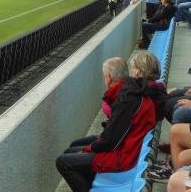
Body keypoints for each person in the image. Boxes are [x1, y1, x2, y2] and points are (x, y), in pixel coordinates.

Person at [56, 54, 162, 192]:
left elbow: (111, 140)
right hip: (126, 149)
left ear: (108, 77)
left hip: (123, 157)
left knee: (62, 162)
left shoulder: (128, 99)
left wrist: (88, 149)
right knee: (71, 152)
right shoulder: (133, 93)